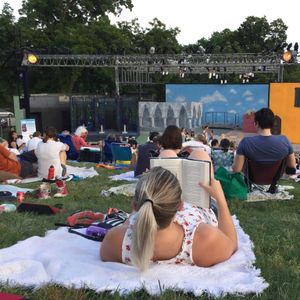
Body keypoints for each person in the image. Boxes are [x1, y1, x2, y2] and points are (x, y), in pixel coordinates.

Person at [100, 167, 237, 271]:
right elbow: (232, 244)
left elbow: (128, 224)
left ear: (135, 206)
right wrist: (220, 199)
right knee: (200, 156)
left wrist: (133, 215)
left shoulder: (115, 241)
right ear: (181, 206)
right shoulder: (206, 237)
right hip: (199, 211)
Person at [232, 108, 296, 173]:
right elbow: (292, 166)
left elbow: (236, 169)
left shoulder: (245, 142)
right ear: (273, 123)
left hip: (251, 179)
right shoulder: (285, 141)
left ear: (256, 123)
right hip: (274, 179)